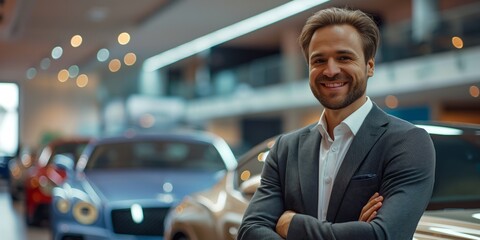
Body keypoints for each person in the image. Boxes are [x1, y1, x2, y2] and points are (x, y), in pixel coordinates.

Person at [237, 7, 435, 240]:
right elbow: (250, 231)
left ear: (369, 66)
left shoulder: (407, 142)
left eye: (344, 57)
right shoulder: (285, 149)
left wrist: (291, 224)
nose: (330, 71)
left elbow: (383, 235)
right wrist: (352, 231)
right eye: (319, 60)